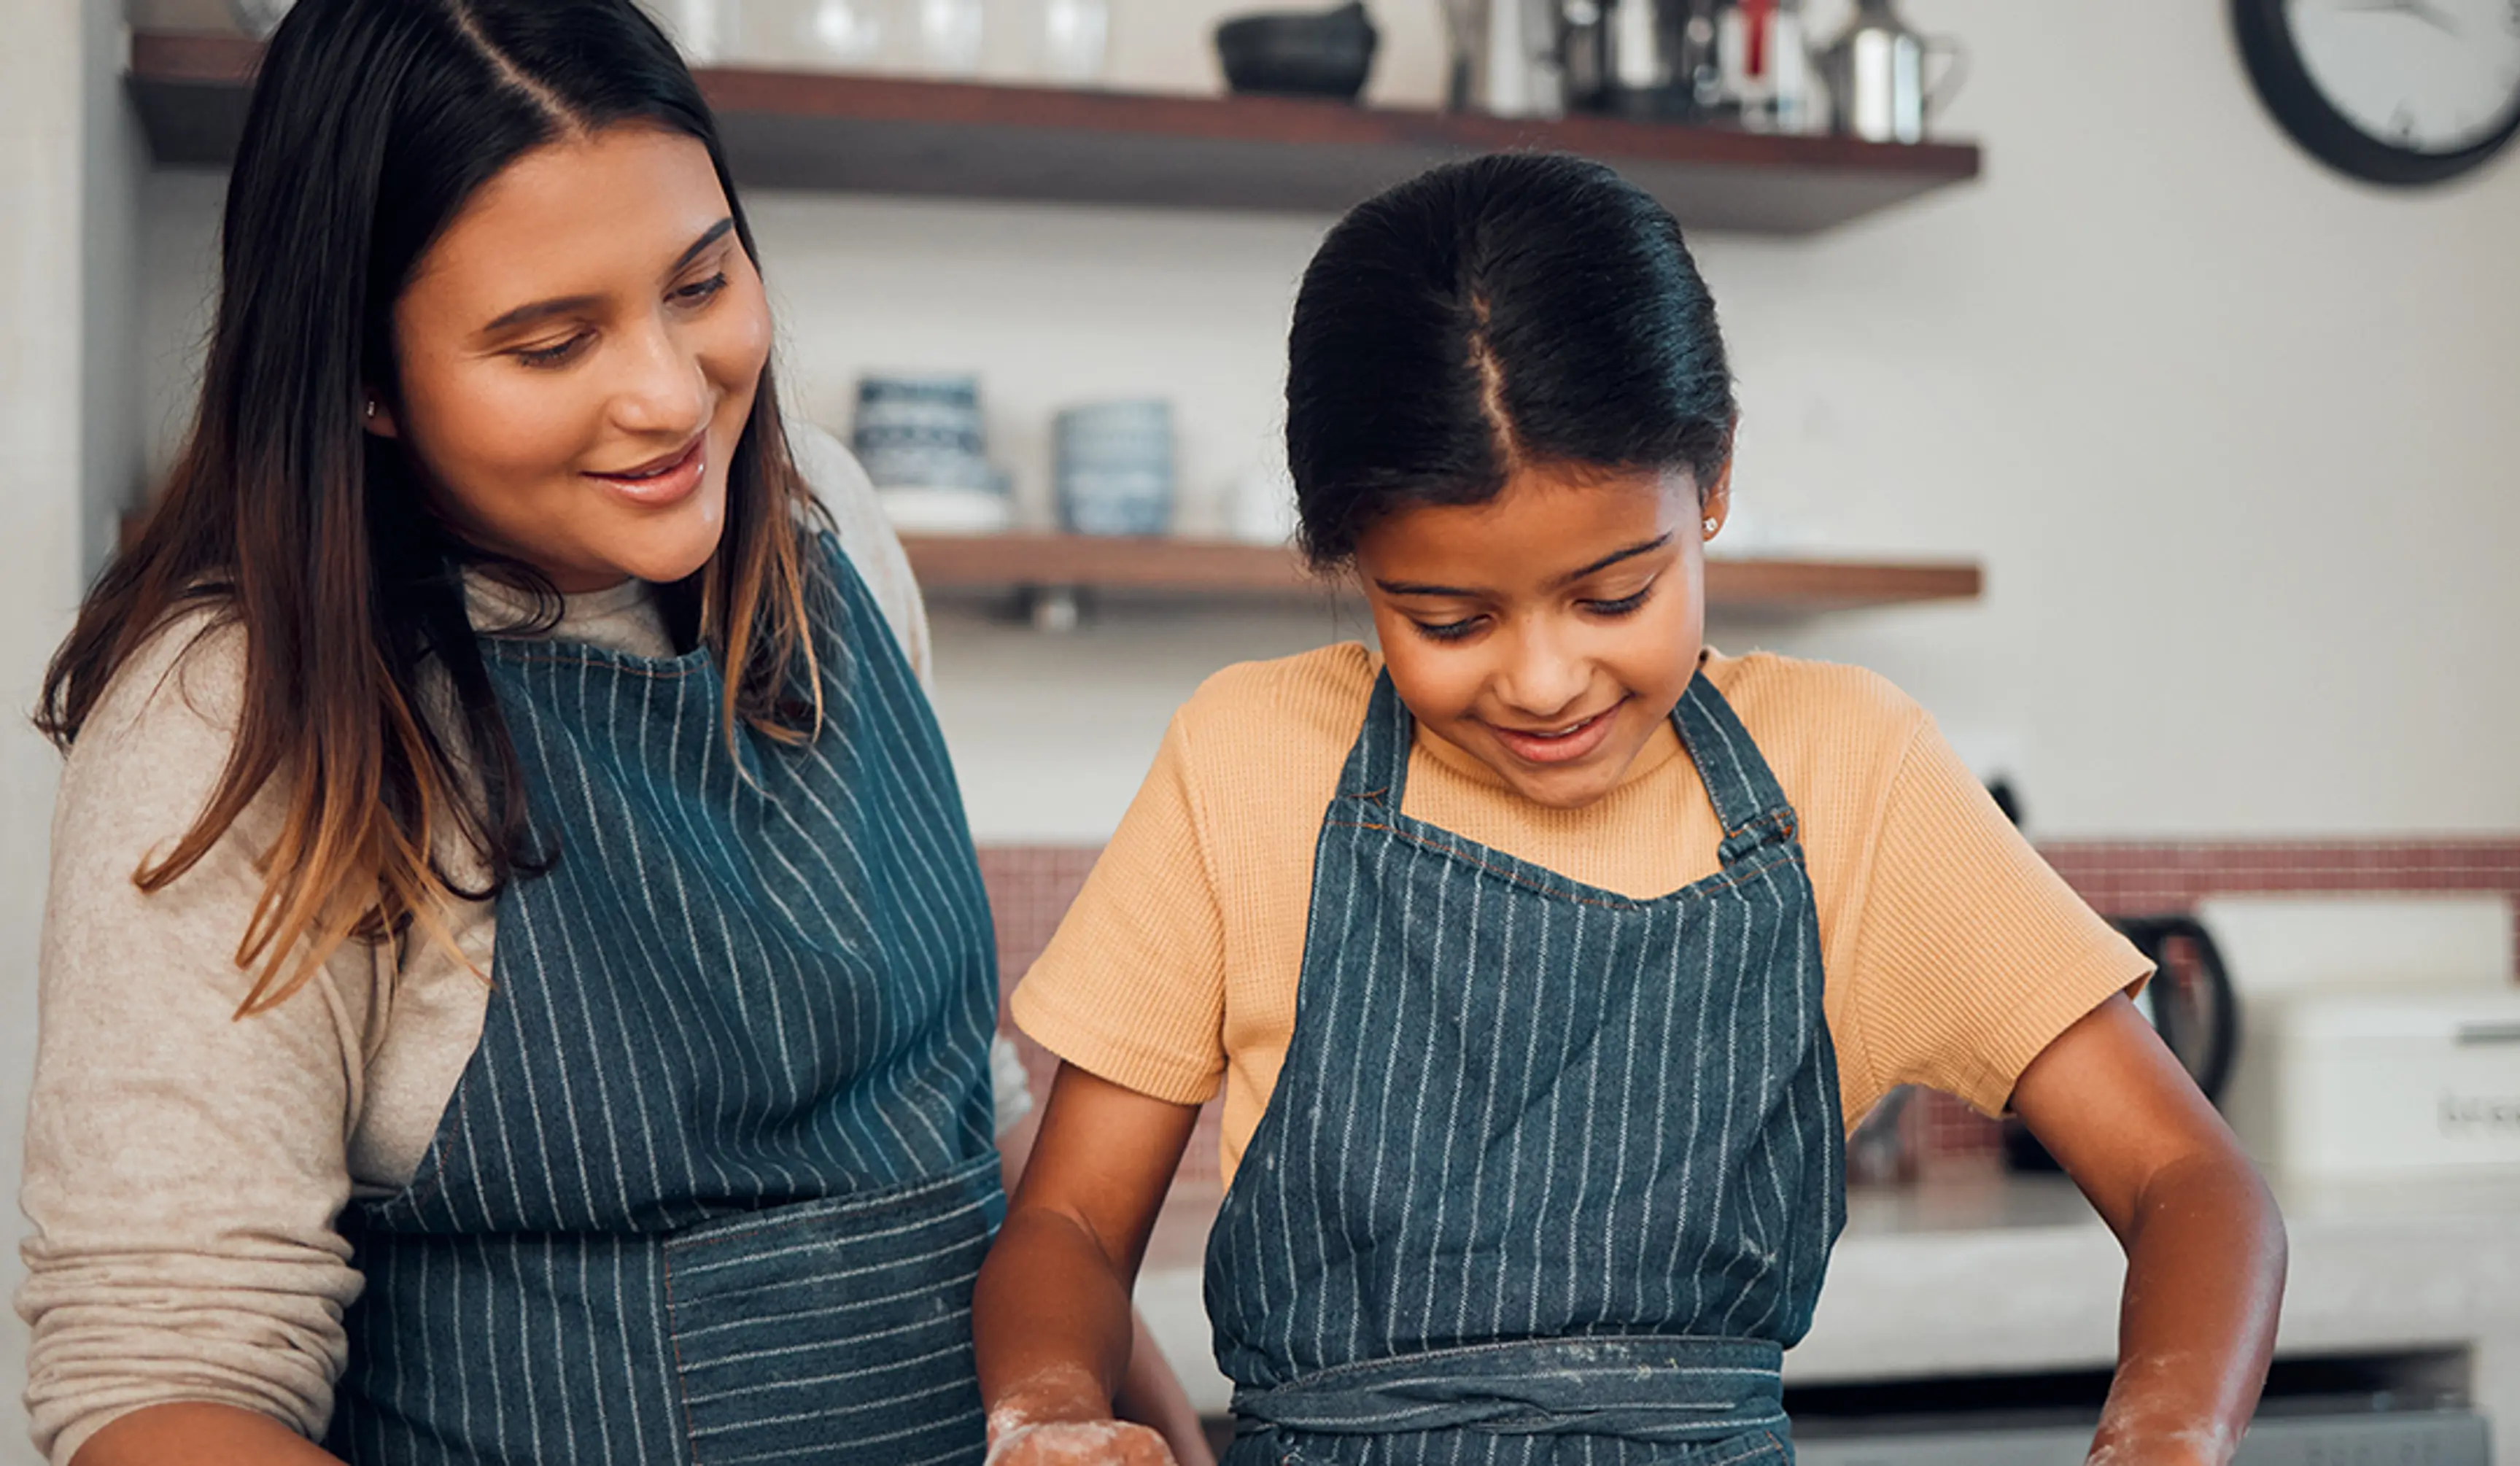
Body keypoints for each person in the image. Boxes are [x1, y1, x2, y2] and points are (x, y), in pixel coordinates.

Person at [15, 3, 1206, 1464]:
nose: (669, 395)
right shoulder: (234, 710)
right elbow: (162, 1391)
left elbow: (965, 1111)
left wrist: (1141, 1419)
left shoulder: (828, 529)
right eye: (550, 343)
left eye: (700, 283)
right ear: (367, 376)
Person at [973, 153, 2288, 1466]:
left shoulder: (1851, 775)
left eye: (1613, 597)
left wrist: (2166, 1431)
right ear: (1350, 556)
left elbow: (2191, 1181)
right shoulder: (1249, 762)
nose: (1545, 681)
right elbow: (1069, 1225)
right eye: (1450, 620)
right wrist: (1050, 1410)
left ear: (1711, 478)